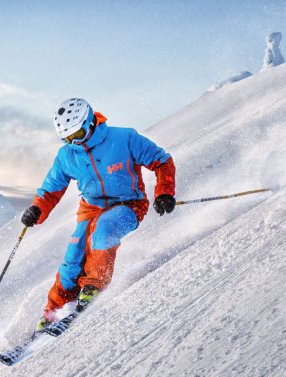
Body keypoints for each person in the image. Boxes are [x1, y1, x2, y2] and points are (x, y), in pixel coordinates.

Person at [21, 98, 176, 332]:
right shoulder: (67, 155)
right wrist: (37, 209)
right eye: (68, 139)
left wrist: (164, 192)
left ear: (91, 121)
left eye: (79, 134)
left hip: (129, 203)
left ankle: (93, 287)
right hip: (91, 207)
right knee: (74, 254)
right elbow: (51, 188)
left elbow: (162, 161)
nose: (76, 142)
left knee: (104, 231)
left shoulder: (124, 139)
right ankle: (54, 310)